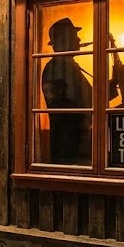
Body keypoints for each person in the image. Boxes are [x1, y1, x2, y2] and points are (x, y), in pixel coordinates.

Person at [40, 18, 94, 164]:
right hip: (70, 149)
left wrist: (113, 84)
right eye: (74, 36)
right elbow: (80, 101)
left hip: (76, 145)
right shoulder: (57, 67)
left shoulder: (67, 66)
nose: (79, 39)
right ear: (65, 40)